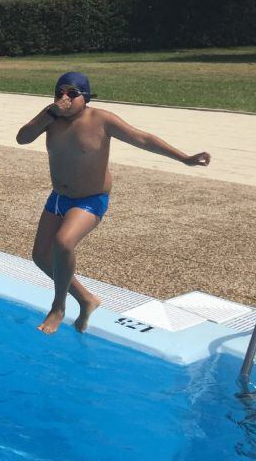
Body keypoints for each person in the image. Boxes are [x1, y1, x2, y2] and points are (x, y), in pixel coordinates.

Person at [16, 72, 211, 335]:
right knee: (40, 257)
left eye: (71, 94)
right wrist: (49, 114)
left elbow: (143, 138)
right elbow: (22, 138)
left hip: (89, 199)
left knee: (63, 243)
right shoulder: (50, 118)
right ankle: (87, 300)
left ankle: (58, 307)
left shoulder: (100, 120)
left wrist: (185, 158)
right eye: (59, 92)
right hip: (58, 198)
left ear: (85, 98)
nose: (64, 98)